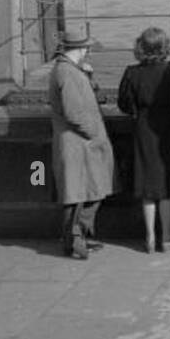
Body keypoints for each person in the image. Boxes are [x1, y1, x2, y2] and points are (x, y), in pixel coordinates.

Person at [117, 27, 170, 253]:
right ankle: (167, 238)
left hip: (143, 130)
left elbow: (124, 104)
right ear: (164, 47)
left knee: (147, 187)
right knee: (166, 188)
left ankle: (149, 237)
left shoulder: (132, 73)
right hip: (168, 129)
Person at [48, 28, 115, 260]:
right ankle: (75, 240)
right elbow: (74, 112)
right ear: (80, 48)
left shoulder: (69, 70)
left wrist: (89, 77)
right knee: (78, 195)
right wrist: (94, 132)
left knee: (86, 192)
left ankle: (78, 237)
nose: (88, 50)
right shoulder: (66, 73)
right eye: (86, 47)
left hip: (80, 144)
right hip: (78, 143)